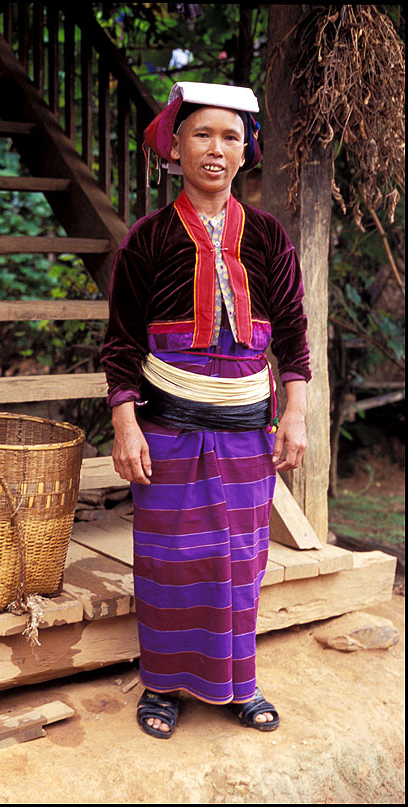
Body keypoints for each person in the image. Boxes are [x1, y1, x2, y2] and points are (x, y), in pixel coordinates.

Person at [100, 82, 310, 738]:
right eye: (201, 134)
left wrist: (296, 413)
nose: (215, 149)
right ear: (175, 144)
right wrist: (125, 420)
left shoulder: (269, 236)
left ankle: (236, 683)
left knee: (239, 561)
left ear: (246, 149)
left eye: (229, 136)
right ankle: (161, 685)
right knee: (170, 560)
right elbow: (122, 341)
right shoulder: (149, 239)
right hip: (167, 431)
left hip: (247, 434)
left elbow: (296, 337)